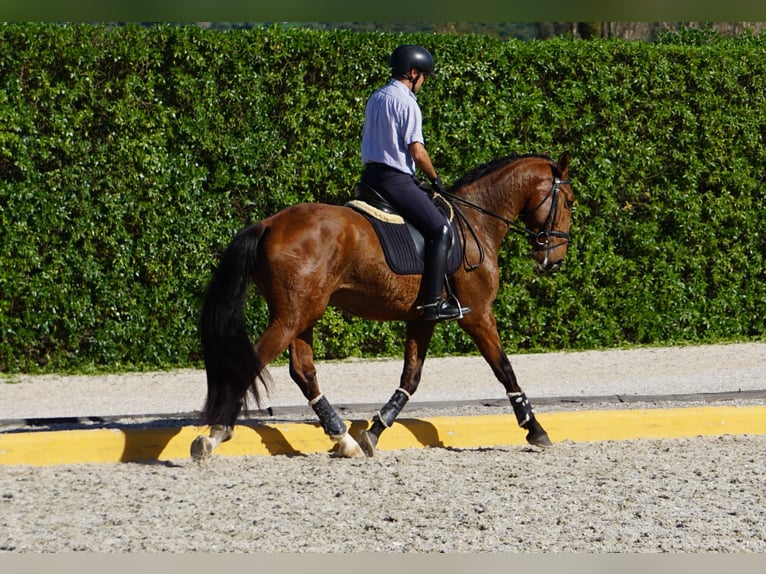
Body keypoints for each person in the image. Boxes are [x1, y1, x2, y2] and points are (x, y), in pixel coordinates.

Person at [360, 44, 471, 322]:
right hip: (395, 180)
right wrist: (435, 178)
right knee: (440, 229)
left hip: (369, 178)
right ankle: (434, 302)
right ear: (412, 73)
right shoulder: (407, 102)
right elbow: (417, 152)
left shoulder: (376, 97)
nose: (423, 83)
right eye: (423, 77)